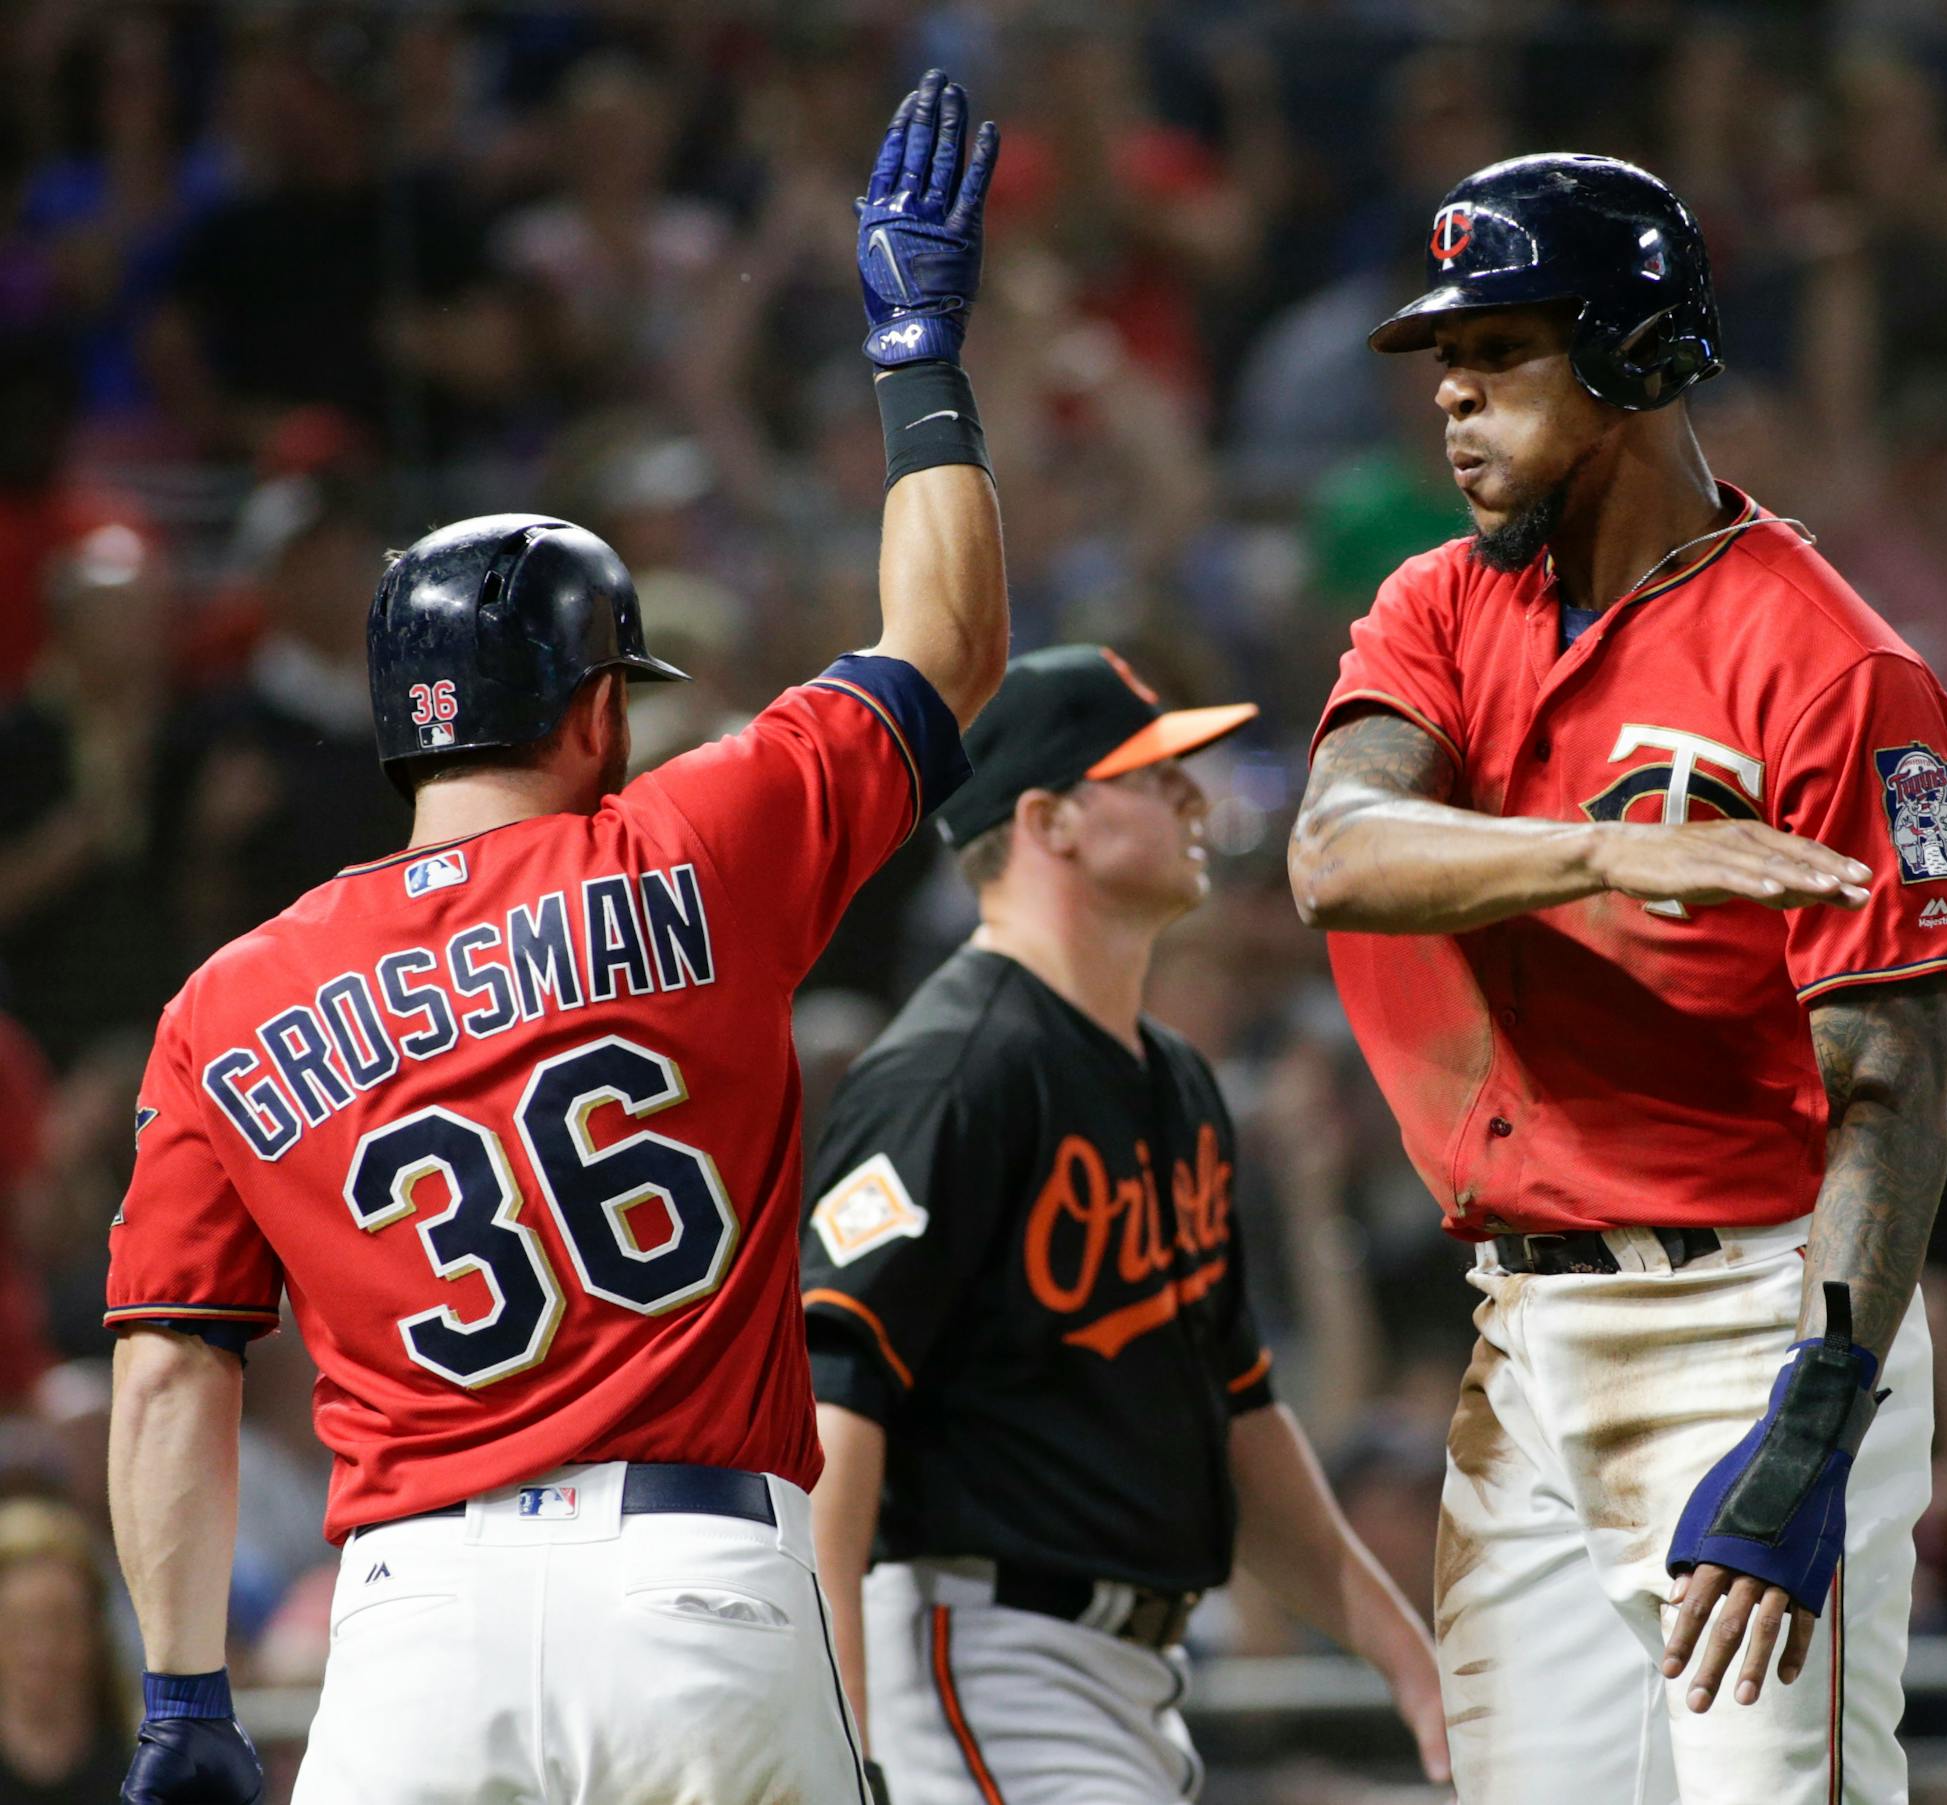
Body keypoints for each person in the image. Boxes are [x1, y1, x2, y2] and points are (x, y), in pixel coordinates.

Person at [103, 70, 1004, 1805]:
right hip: (697, 1584)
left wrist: (185, 1696)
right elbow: (948, 642)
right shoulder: (700, 841)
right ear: (596, 703)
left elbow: (163, 1371)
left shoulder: (229, 1000)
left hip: (411, 1629)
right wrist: (916, 357)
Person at [1288, 154, 1947, 1804]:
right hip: (1521, 1337)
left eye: (1503, 349)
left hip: (1750, 1318)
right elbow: (1336, 851)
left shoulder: (1833, 663)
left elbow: (1894, 1081)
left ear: (1634, 353)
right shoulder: (1443, 606)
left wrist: (1813, 1425)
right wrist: (1608, 854)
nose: (1452, 394)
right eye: (1444, 359)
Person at [803, 646, 1450, 1804]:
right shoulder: (953, 1072)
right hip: (976, 1651)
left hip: (1126, 1674)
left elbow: (1240, 1408)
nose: (1195, 796)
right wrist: (837, 1736)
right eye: (1152, 775)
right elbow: (832, 1416)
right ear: (1049, 819)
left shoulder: (1178, 1082)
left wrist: (1407, 1657)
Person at [0, 1496, 133, 1804]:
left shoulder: (149, 1772)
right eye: (18, 1626)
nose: (41, 1649)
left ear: (95, 1630)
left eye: (60, 1624)